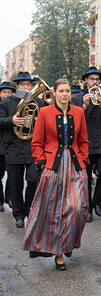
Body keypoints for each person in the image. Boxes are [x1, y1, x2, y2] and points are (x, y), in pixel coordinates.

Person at [22, 78, 89, 271]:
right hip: (53, 166)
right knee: (55, 211)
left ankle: (68, 241)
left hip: (76, 165)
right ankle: (59, 253)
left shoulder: (79, 112)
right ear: (55, 92)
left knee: (77, 208)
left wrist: (84, 160)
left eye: (68, 91)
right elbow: (36, 143)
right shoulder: (44, 112)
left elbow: (83, 140)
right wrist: (42, 162)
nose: (65, 94)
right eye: (61, 91)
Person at [71, 67, 101, 222]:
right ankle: (88, 208)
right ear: (86, 80)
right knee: (86, 178)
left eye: (97, 79)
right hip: (84, 144)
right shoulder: (77, 98)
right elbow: (73, 121)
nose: (95, 82)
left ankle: (97, 201)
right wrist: (84, 106)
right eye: (92, 79)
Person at [0, 72, 44, 228]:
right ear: (17, 86)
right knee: (15, 184)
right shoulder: (7, 102)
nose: (26, 87)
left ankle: (29, 209)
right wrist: (11, 120)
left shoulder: (38, 101)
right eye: (23, 84)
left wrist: (41, 121)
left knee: (34, 179)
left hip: (33, 148)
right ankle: (18, 215)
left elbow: (48, 121)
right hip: (13, 148)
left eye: (29, 84)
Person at [0, 82, 14, 212]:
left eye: (8, 92)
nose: (6, 94)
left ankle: (9, 197)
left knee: (12, 174)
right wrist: (11, 120)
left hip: (11, 145)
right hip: (0, 145)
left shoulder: (15, 105)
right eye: (4, 92)